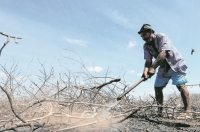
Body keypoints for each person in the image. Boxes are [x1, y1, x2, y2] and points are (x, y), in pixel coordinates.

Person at [138, 24, 191, 116]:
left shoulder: (162, 37)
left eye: (144, 35)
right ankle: (159, 113)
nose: (143, 38)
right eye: (142, 36)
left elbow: (163, 53)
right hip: (163, 67)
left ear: (150, 32)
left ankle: (187, 111)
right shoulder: (146, 46)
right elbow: (148, 60)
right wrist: (146, 70)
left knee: (180, 85)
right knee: (157, 87)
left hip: (175, 64)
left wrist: (153, 68)